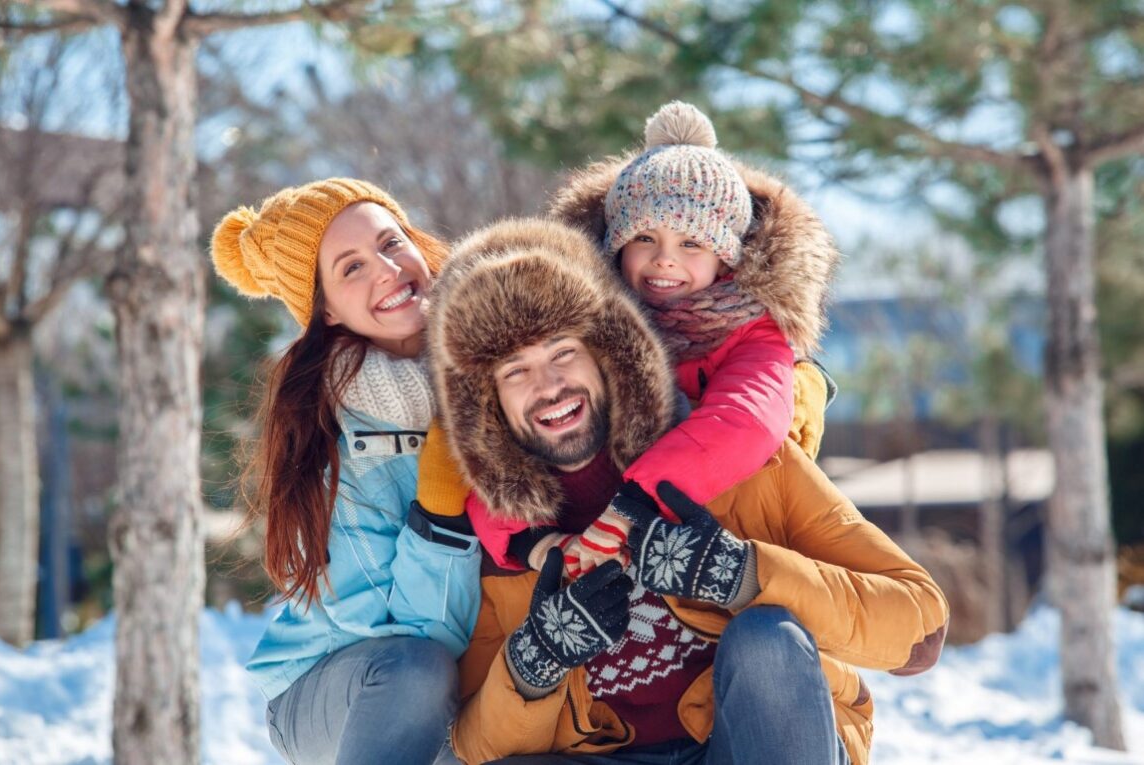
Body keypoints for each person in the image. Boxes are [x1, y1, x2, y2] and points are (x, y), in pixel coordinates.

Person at [426, 217, 950, 764]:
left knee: (767, 638)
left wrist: (742, 574)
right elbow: (474, 746)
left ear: (611, 354)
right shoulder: (500, 541)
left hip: (754, 742)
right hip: (605, 755)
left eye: (563, 352)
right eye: (515, 371)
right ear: (486, 403)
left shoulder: (745, 466)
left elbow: (920, 628)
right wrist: (536, 660)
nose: (548, 386)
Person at [466, 102, 840, 579]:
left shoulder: (753, 333)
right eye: (644, 237)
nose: (664, 260)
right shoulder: (580, 329)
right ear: (615, 247)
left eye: (691, 244)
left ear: (725, 261)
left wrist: (637, 502)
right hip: (591, 550)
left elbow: (744, 420)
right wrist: (530, 539)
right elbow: (497, 435)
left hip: (713, 538)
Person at [210, 178, 481, 765]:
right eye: (351, 267)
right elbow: (397, 630)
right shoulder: (328, 428)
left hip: (465, 666)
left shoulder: (493, 366)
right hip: (344, 679)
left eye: (391, 243)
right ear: (326, 309)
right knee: (417, 673)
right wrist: (439, 509)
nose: (386, 269)